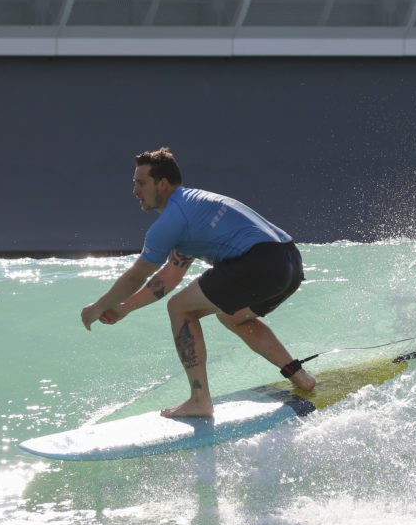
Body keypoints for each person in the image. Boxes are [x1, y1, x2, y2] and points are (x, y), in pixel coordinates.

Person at [80, 146, 315, 418]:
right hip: (289, 262)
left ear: (163, 184)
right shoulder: (193, 207)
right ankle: (299, 376)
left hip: (259, 263)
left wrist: (97, 307)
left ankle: (200, 400)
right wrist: (124, 308)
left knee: (180, 308)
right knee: (233, 317)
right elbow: (169, 276)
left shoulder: (171, 220)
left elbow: (137, 275)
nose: (135, 191)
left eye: (141, 183)